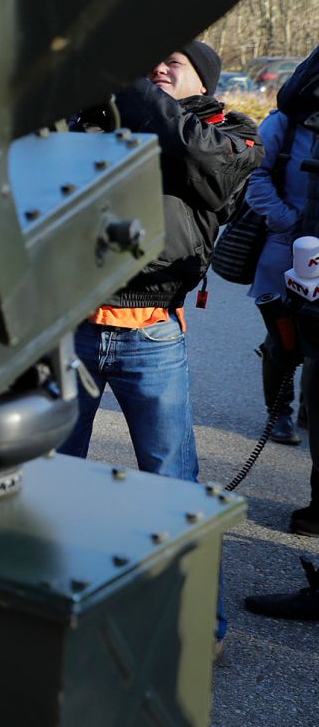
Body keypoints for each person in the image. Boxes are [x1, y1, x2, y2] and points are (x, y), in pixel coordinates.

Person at [58, 42, 260, 482]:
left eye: (173, 61)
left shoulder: (231, 132)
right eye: (149, 61)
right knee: (52, 469)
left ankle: (179, 554)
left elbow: (200, 157)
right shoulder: (102, 121)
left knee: (170, 477)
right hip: (72, 326)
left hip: (152, 333)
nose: (159, 68)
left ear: (205, 79)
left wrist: (123, 80)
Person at [243, 40, 319, 536]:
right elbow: (254, 175)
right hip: (285, 254)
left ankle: (311, 407)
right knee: (283, 343)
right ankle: (281, 414)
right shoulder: (286, 123)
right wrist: (284, 219)